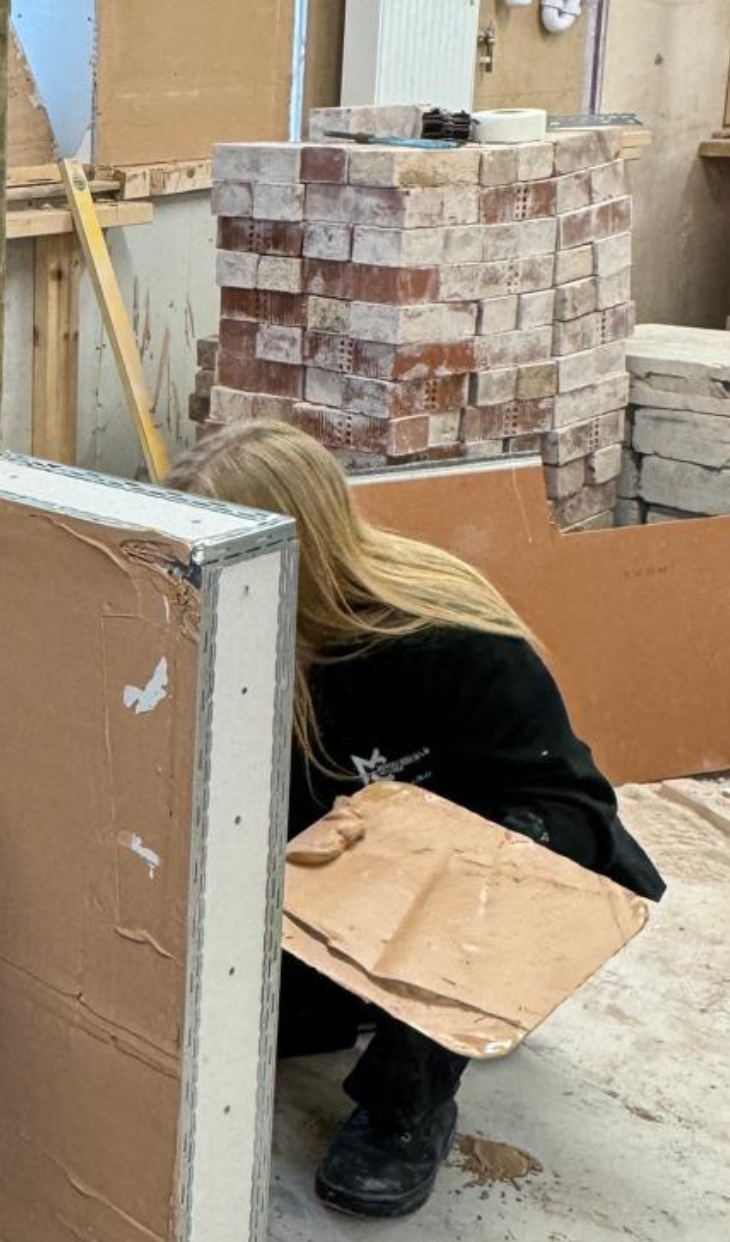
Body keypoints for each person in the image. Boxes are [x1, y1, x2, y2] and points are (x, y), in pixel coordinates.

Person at [169, 420, 665, 1220]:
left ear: (301, 547)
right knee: (228, 1027)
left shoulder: (443, 632)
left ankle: (407, 1105)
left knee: (451, 879)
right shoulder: (253, 635)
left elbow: (570, 807)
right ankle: (367, 996)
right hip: (342, 872)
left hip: (507, 847)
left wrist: (440, 860)